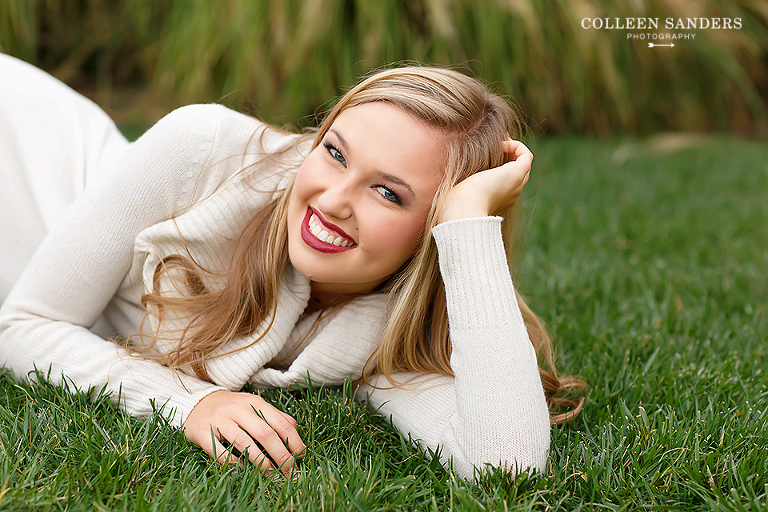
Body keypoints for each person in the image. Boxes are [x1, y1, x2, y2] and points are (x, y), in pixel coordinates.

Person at [0, 53, 583, 479]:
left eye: (388, 193)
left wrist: (468, 227)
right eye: (334, 152)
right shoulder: (202, 148)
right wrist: (189, 401)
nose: (332, 201)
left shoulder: (385, 332)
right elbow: (23, 326)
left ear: (433, 229)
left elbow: (507, 467)